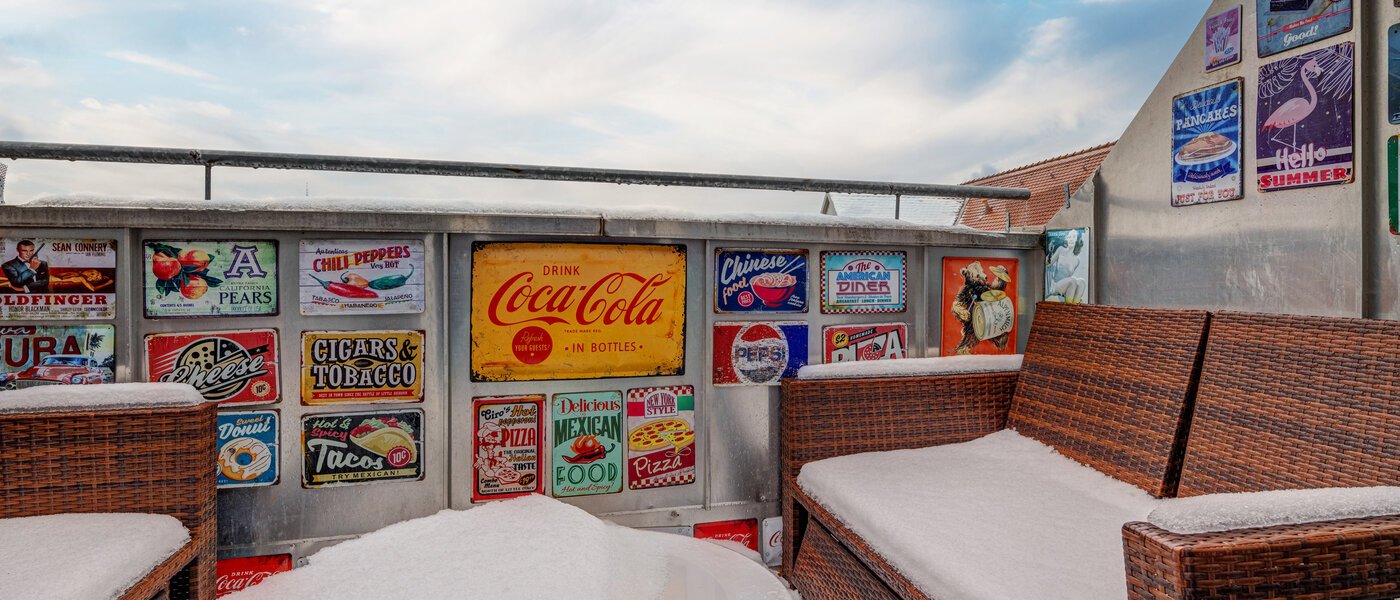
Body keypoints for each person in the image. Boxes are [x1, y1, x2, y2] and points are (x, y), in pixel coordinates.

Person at [1046, 230, 1087, 304]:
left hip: (1067, 287)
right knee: (1072, 281)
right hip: (1055, 285)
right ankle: (1069, 307)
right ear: (1067, 239)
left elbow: (1070, 276)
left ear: (1077, 240)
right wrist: (1049, 252)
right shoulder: (1061, 250)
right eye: (1069, 237)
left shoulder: (1077, 259)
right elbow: (1048, 264)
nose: (1071, 239)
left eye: (1074, 237)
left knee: (1082, 282)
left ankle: (1074, 305)